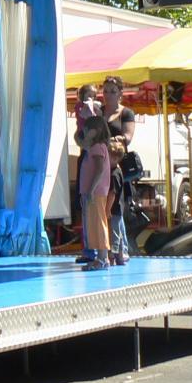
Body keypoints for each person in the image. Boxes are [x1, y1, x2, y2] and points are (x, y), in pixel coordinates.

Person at [75, 85, 113, 270]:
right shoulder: (93, 147)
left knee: (98, 222)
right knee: (93, 223)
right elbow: (79, 140)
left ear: (96, 131)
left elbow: (99, 169)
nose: (86, 131)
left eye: (88, 129)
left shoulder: (97, 148)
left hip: (95, 192)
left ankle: (103, 257)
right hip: (92, 191)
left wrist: (90, 189)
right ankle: (100, 256)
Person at [102, 75, 138, 265]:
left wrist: (115, 140)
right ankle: (107, 248)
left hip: (116, 166)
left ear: (120, 94)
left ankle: (120, 250)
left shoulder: (126, 113)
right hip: (100, 165)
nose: (108, 95)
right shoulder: (99, 112)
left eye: (112, 91)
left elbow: (128, 137)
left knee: (115, 209)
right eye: (105, 91)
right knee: (103, 209)